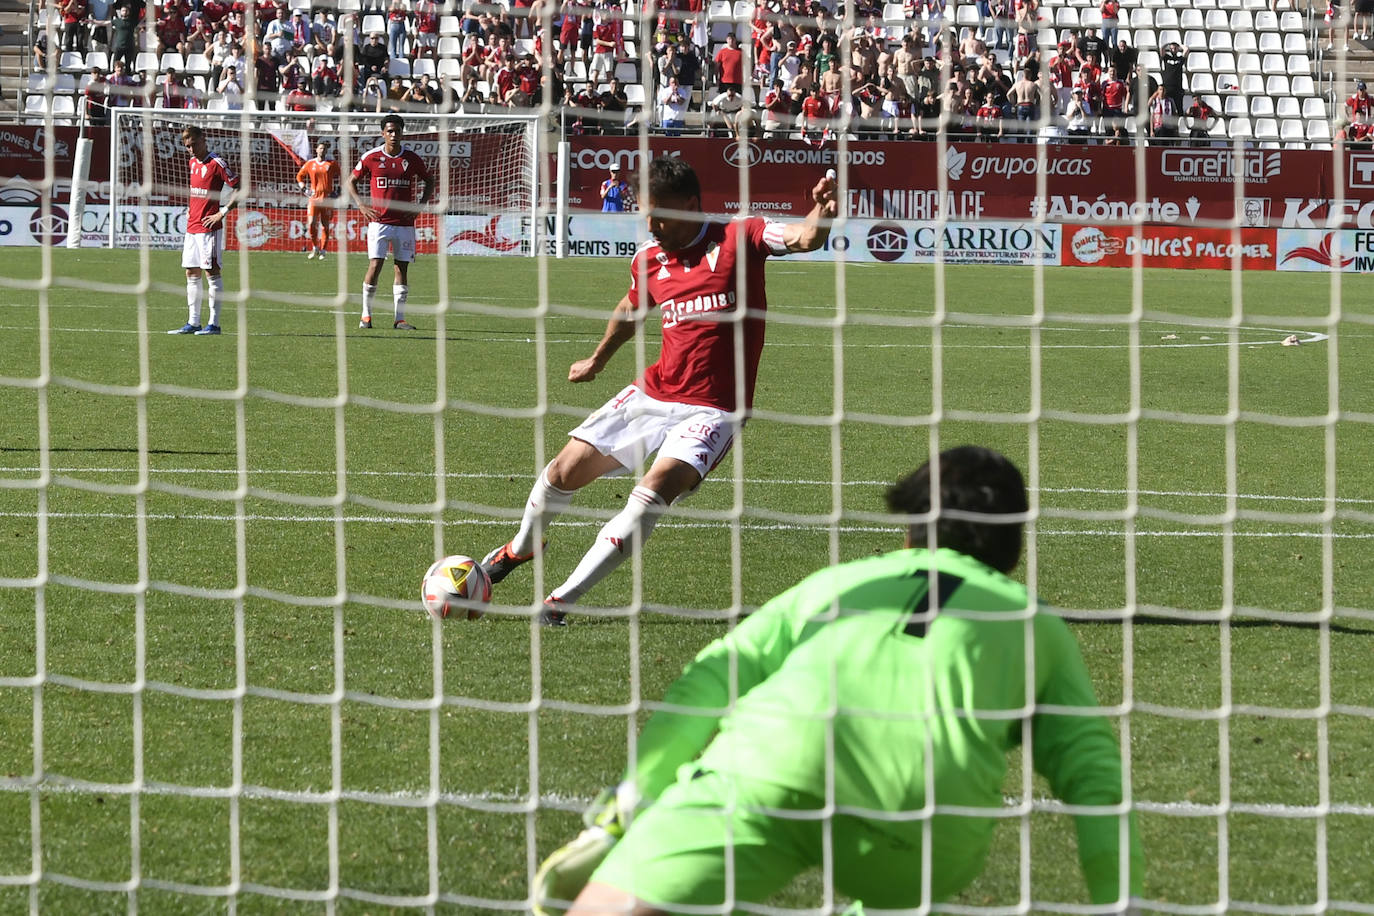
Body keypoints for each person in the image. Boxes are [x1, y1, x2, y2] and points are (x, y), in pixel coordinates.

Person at [532, 445, 1145, 915]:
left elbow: (712, 677)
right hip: (923, 831)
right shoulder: (1038, 627)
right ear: (1013, 550)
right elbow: (1096, 782)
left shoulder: (842, 584)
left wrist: (626, 806)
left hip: (772, 771)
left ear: (909, 531)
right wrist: (1122, 900)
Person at [476, 156, 838, 627]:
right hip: (654, 392)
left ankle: (559, 602)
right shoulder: (650, 259)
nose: (651, 224)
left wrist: (822, 214)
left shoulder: (740, 238)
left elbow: (803, 237)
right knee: (560, 474)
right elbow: (630, 308)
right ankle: (519, 550)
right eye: (644, 213)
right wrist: (598, 359)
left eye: (660, 214)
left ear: (691, 205)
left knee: (650, 493)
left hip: (714, 410)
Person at [346, 114, 434, 330]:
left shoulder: (412, 159)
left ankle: (399, 319)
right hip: (380, 222)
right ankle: (365, 316)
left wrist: (419, 206)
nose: (394, 135)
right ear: (383, 133)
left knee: (401, 269)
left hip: (404, 224)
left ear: (403, 132)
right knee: (375, 265)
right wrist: (361, 205)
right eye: (390, 131)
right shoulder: (371, 157)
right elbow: (351, 181)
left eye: (397, 131)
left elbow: (430, 181)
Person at [168, 125, 242, 336]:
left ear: (203, 139)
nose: (191, 149)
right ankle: (193, 323)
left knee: (212, 273)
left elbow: (239, 188)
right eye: (187, 146)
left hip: (209, 228)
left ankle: (214, 324)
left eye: (194, 144)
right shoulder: (192, 162)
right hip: (192, 227)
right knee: (191, 272)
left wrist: (222, 212)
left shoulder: (216, 163)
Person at [296, 141, 340, 260]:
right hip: (314, 199)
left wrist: (339, 190)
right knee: (311, 224)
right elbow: (299, 176)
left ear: (326, 151)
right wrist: (304, 188)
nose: (322, 150)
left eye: (324, 149)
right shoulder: (310, 163)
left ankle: (323, 250)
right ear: (316, 150)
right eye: (320, 148)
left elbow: (343, 175)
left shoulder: (332, 163)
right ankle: (315, 247)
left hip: (327, 199)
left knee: (325, 226)